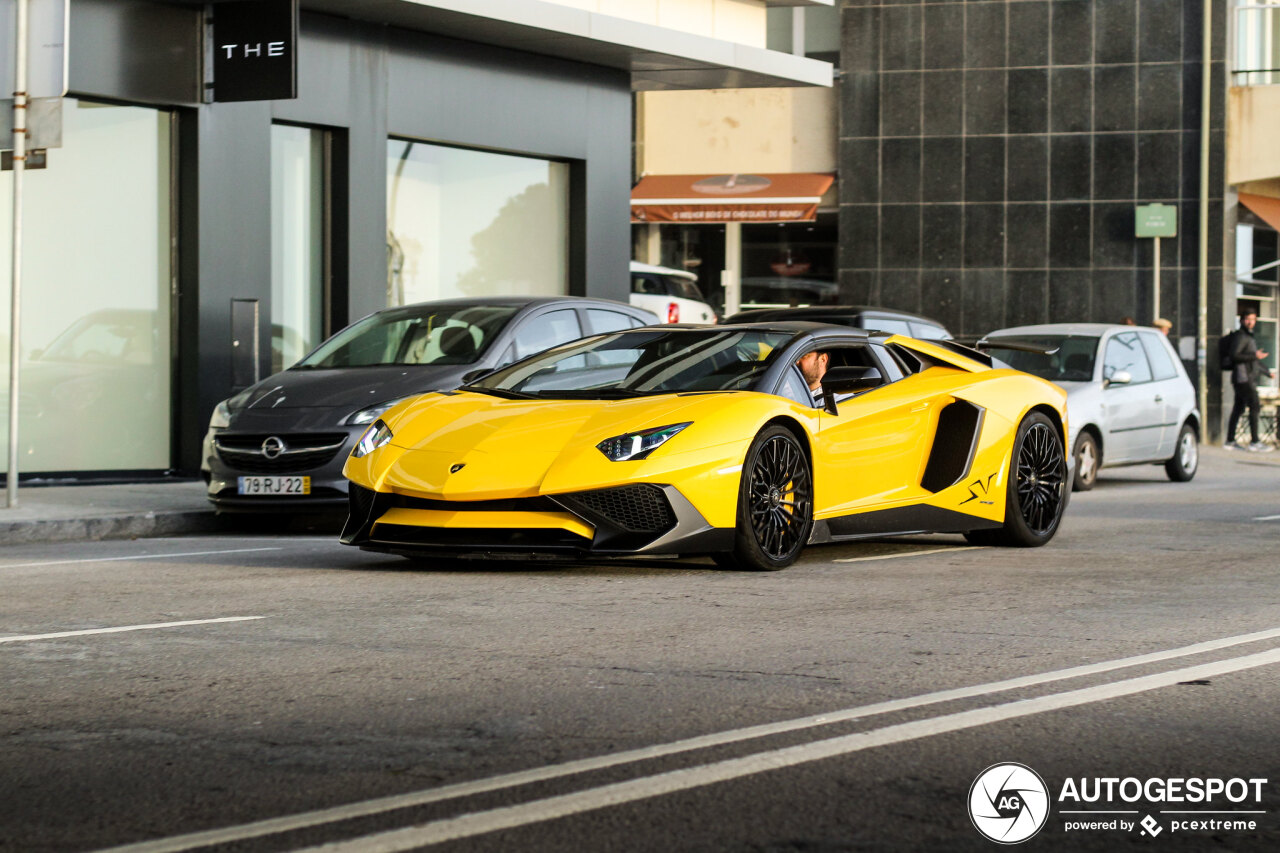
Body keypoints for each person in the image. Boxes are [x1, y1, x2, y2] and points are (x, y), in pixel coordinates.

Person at [1225, 309, 1276, 452]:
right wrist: (1254, 355)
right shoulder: (1241, 337)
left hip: (1246, 378)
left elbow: (1255, 361)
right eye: (1248, 319)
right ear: (1241, 320)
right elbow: (1234, 355)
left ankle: (1230, 440)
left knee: (1238, 408)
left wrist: (1267, 372)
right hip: (1243, 378)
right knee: (1255, 406)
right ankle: (1255, 441)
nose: (1250, 322)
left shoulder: (1249, 337)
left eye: (1253, 319)